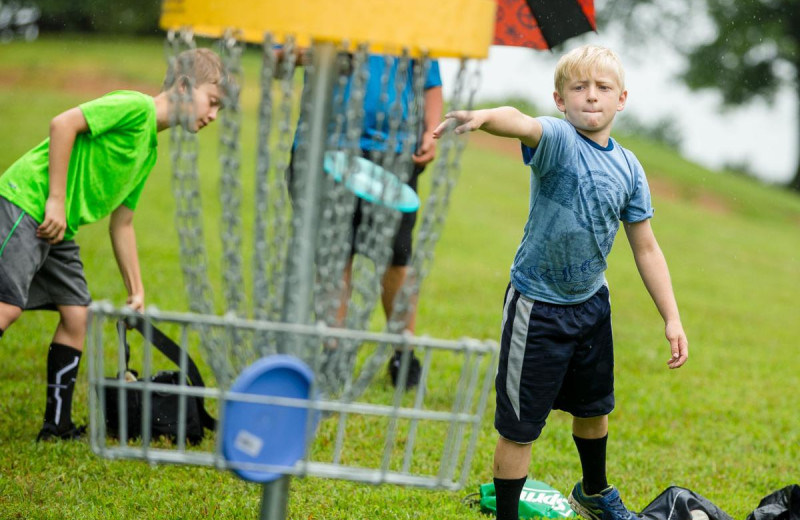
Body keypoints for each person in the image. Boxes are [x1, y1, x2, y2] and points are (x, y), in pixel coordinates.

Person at [432, 45, 689, 520]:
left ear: (622, 99)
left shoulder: (631, 168)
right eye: (579, 87)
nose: (591, 97)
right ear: (560, 99)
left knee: (594, 410)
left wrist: (671, 317)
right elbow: (520, 121)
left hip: (592, 305)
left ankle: (594, 493)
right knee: (521, 427)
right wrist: (485, 115)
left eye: (603, 88)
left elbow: (646, 247)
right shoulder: (556, 140)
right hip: (539, 307)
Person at [0, 47, 226, 441]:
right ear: (186, 86)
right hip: (28, 202)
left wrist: (136, 289)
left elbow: (123, 223)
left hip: (58, 227)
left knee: (77, 316)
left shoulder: (149, 151)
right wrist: (55, 198)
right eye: (213, 102)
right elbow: (63, 124)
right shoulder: (135, 107)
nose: (213, 116)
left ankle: (57, 426)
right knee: (6, 308)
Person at [291, 52, 443, 389]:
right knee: (332, 252)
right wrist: (319, 52)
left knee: (397, 257)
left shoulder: (413, 17)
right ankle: (333, 350)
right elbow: (278, 58)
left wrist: (431, 130)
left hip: (394, 152)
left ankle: (403, 351)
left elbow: (431, 81)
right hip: (325, 145)